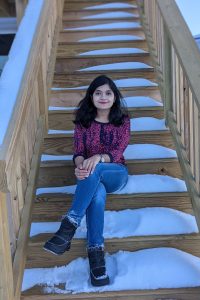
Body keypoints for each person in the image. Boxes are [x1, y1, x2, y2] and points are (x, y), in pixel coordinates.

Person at [44, 75, 130, 287]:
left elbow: (118, 152)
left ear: (114, 97)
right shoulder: (83, 122)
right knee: (97, 194)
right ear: (91, 96)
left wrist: (97, 159)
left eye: (108, 93)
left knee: (98, 170)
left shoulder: (123, 120)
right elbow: (79, 152)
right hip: (92, 176)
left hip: (116, 173)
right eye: (98, 93)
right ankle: (96, 255)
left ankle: (69, 224)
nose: (103, 97)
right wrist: (81, 166)